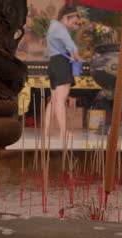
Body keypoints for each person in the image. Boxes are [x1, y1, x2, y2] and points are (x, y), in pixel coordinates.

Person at [44, 5, 84, 139]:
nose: (73, 25)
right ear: (65, 18)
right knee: (61, 100)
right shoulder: (59, 28)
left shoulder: (53, 27)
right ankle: (63, 132)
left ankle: (46, 132)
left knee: (54, 100)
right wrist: (80, 59)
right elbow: (71, 46)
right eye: (73, 22)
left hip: (54, 63)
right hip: (61, 64)